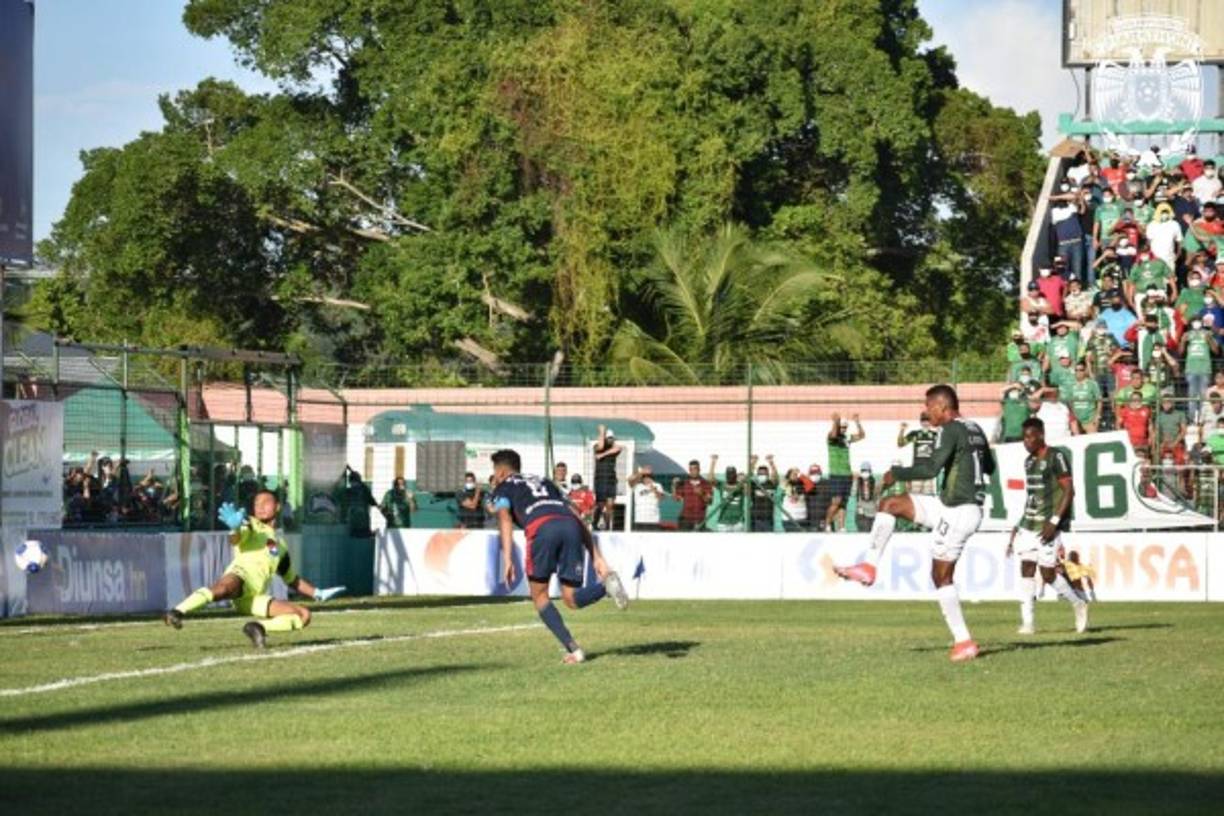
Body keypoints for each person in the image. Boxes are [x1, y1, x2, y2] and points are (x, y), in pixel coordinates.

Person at [834, 384, 995, 663]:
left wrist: (896, 472)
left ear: (943, 406)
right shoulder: (975, 428)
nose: (925, 410)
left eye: (929, 405)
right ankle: (869, 566)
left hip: (959, 511)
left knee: (941, 577)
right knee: (891, 504)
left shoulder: (949, 428)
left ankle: (964, 642)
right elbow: (990, 466)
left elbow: (930, 468)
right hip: (950, 505)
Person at [489, 449, 628, 664]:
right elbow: (574, 513)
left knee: (540, 596)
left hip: (541, 528)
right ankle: (606, 586)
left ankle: (575, 649)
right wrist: (596, 556)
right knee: (571, 598)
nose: (495, 476)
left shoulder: (504, 487)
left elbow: (504, 519)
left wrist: (507, 558)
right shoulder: (545, 481)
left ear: (502, 471)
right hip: (569, 524)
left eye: (495, 471)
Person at [163, 490, 344, 648]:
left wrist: (317, 593)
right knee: (226, 587)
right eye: (257, 503)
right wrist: (235, 528)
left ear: (278, 506)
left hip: (253, 598)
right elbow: (237, 538)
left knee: (304, 615)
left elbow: (291, 579)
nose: (260, 506)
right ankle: (177, 612)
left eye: (266, 502)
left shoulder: (279, 545)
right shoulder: (250, 523)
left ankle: (257, 627)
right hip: (240, 576)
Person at [1006, 418, 1089, 635]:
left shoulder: (1056, 456)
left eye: (1030, 436)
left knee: (1048, 574)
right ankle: (1028, 622)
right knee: (1026, 569)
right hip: (1028, 523)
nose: (1026, 441)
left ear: (1041, 435)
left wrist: (1054, 522)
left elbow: (1069, 491)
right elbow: (1032, 496)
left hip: (1047, 525)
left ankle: (1078, 603)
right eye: (1024, 437)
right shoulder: (1028, 462)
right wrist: (1017, 526)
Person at [826, 413, 864, 531]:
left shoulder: (846, 438)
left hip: (847, 475)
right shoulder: (831, 437)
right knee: (836, 501)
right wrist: (835, 422)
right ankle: (826, 524)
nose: (843, 429)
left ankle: (842, 527)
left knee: (843, 504)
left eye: (845, 427)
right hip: (836, 474)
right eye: (841, 427)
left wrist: (857, 422)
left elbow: (862, 435)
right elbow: (833, 434)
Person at [897, 413, 938, 493]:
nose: (925, 422)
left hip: (929, 470)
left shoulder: (935, 435)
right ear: (920, 422)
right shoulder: (914, 434)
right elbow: (900, 444)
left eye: (928, 420)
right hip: (917, 469)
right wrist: (902, 430)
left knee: (929, 497)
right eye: (923, 420)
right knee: (916, 496)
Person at [592, 425, 622, 530]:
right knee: (600, 504)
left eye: (611, 438)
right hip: (600, 479)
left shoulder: (613, 449)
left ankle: (607, 525)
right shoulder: (597, 447)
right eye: (608, 438)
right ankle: (594, 523)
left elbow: (618, 448)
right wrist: (602, 432)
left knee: (610, 505)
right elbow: (600, 446)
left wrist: (603, 455)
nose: (610, 440)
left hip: (611, 480)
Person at [671, 459, 713, 531]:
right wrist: (673, 486)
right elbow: (676, 498)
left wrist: (702, 494)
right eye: (691, 469)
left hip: (699, 519)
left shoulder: (705, 483)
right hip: (685, 519)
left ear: (699, 469)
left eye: (695, 469)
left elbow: (710, 501)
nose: (693, 471)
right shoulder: (685, 482)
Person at [627, 465, 665, 531]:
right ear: (642, 477)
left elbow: (661, 498)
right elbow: (630, 480)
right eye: (644, 476)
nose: (647, 478)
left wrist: (655, 490)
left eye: (649, 476)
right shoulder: (637, 486)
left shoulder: (657, 485)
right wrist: (641, 472)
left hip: (654, 520)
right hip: (640, 519)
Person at [748, 455, 779, 532]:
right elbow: (748, 476)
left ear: (767, 475)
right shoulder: (754, 484)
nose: (762, 475)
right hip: (755, 519)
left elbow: (775, 476)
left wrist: (771, 463)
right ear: (757, 475)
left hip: (768, 519)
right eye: (760, 474)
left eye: (764, 474)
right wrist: (753, 462)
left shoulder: (771, 484)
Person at [852, 464, 878, 533]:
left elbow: (877, 497)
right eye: (863, 471)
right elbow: (853, 493)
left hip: (873, 513)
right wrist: (854, 481)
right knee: (863, 533)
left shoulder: (874, 482)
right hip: (861, 512)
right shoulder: (858, 482)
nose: (865, 473)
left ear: (870, 471)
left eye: (867, 471)